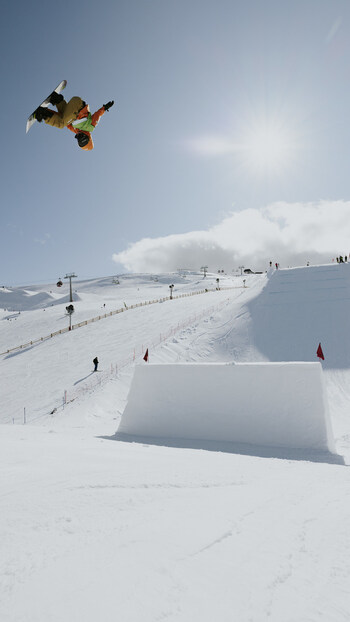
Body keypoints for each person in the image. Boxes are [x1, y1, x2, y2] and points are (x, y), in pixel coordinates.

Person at [34, 91, 114, 151]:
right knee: (61, 123)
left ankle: (57, 100)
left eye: (78, 138)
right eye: (81, 138)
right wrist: (105, 108)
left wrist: (49, 112)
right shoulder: (90, 126)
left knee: (63, 120)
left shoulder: (76, 130)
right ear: (87, 138)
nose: (79, 136)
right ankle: (43, 113)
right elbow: (98, 115)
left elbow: (60, 119)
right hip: (78, 106)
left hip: (73, 106)